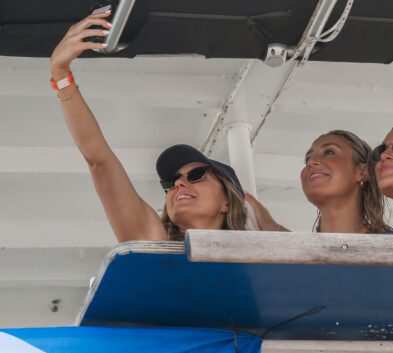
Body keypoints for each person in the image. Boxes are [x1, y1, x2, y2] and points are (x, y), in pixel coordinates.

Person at [49, 13, 247, 242]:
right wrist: (61, 76)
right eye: (170, 183)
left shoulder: (258, 261)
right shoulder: (154, 243)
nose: (178, 183)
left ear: (227, 202)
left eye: (196, 174)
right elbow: (100, 162)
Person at [247, 130, 393, 234]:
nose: (312, 162)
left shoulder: (390, 248)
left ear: (362, 172)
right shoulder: (303, 256)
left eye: (329, 152)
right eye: (307, 160)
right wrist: (272, 226)